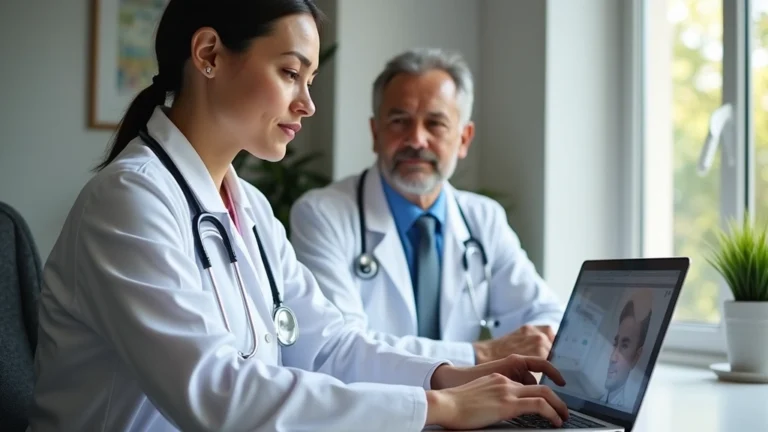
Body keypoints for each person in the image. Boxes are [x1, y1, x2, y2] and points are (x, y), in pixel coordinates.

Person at [26, 1, 571, 431]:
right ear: (210, 54)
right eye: (291, 72)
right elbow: (219, 396)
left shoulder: (251, 210)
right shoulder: (130, 200)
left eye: (309, 80)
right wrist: (440, 407)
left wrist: (457, 376)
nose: (307, 103)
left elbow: (328, 344)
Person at [289, 48, 565, 367]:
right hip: (378, 411)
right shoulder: (323, 215)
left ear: (464, 138)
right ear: (375, 133)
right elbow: (341, 347)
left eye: (435, 124)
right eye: (399, 121)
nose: (416, 140)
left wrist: (540, 341)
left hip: (477, 410)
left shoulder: (483, 218)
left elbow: (546, 316)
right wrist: (480, 354)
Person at [600, 298, 652, 411]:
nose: (612, 358)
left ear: (636, 357)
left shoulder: (628, 408)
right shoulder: (597, 400)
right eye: (615, 343)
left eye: (624, 346)